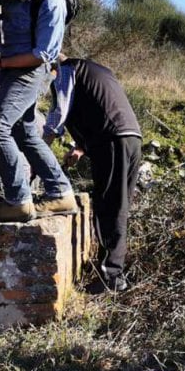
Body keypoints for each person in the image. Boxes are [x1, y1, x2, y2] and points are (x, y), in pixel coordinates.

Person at [0, 0, 76, 220]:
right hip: (10, 66)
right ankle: (60, 193)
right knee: (23, 132)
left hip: (30, 70)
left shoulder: (52, 1)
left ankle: (18, 200)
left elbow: (43, 54)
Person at [44, 57, 141, 292]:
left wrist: (41, 147)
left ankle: (111, 278)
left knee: (108, 205)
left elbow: (61, 110)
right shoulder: (97, 70)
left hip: (111, 141)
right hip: (131, 139)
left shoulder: (67, 71)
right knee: (119, 206)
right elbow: (101, 107)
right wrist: (80, 148)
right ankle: (115, 272)